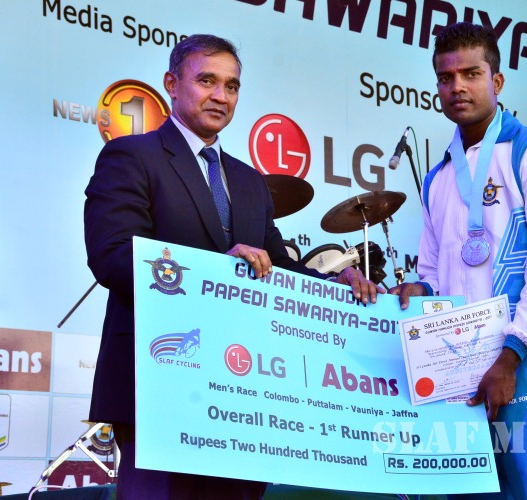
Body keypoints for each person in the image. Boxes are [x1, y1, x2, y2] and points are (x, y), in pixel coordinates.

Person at [84, 34, 381, 500]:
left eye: (232, 86)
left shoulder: (248, 181)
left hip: (242, 395)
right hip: (159, 383)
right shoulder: (131, 156)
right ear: (171, 84)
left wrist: (336, 284)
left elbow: (279, 267)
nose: (221, 96)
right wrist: (213, 274)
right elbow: (113, 256)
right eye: (207, 81)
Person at [390, 23, 527, 498]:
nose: (457, 87)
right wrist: (420, 290)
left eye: (471, 74)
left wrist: (511, 357)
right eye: (445, 77)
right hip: (459, 368)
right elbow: (434, 274)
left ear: (497, 81)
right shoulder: (438, 178)